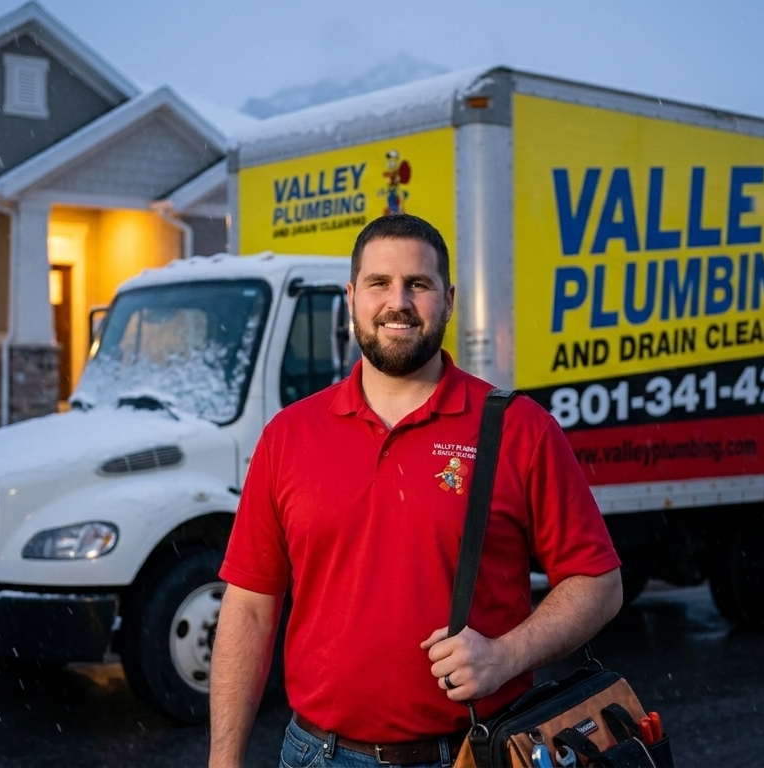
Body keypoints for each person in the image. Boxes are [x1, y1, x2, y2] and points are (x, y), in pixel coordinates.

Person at [209, 214, 624, 768]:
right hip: (315, 755)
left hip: (470, 754)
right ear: (352, 297)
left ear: (448, 299)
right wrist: (224, 758)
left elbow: (599, 583)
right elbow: (251, 609)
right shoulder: (289, 436)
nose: (397, 302)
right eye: (379, 283)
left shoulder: (517, 428)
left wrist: (505, 655)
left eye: (418, 285)